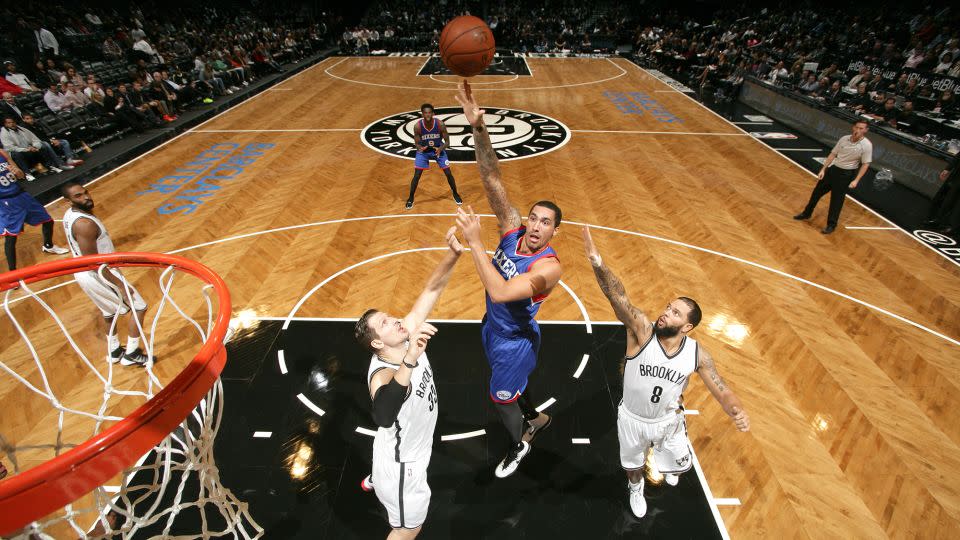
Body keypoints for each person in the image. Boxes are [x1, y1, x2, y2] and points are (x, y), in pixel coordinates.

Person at [581, 227, 750, 518]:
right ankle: (636, 488)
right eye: (668, 307)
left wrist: (736, 410)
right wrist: (598, 263)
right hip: (632, 419)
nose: (665, 313)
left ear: (687, 327)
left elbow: (720, 389)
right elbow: (617, 296)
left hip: (668, 420)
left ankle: (670, 465)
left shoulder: (698, 354)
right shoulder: (642, 331)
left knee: (677, 466)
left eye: (675, 313)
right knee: (632, 466)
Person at [452, 80, 560, 478]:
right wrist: (478, 128)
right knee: (511, 388)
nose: (535, 225)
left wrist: (475, 241)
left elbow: (499, 293)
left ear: (553, 233)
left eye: (545, 223)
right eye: (533, 217)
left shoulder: (548, 269)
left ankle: (520, 443)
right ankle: (532, 414)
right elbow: (492, 179)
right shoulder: (513, 230)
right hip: (492, 330)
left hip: (514, 342)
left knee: (500, 400)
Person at [354, 226, 462, 539]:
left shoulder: (405, 333)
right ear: (377, 343)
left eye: (390, 316)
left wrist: (453, 255)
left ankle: (374, 478)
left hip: (397, 446)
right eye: (385, 324)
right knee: (407, 530)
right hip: (404, 466)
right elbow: (384, 414)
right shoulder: (382, 373)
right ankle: (380, 481)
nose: (396, 321)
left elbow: (431, 290)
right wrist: (411, 357)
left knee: (388, 444)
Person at [60, 182, 149, 366]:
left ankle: (114, 350)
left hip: (84, 273)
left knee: (109, 312)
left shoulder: (70, 215)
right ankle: (132, 353)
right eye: (78, 196)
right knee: (139, 306)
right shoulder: (84, 224)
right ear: (67, 200)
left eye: (85, 192)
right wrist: (119, 283)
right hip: (98, 273)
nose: (85, 197)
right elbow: (93, 262)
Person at [794, 120, 873, 234]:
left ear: (866, 130)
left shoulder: (867, 145)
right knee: (816, 193)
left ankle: (831, 225)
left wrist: (856, 180)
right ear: (853, 127)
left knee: (837, 201)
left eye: (861, 128)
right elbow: (833, 154)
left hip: (846, 174)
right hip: (833, 170)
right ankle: (806, 213)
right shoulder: (844, 138)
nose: (858, 130)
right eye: (856, 127)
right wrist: (823, 169)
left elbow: (866, 164)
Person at [1, 149, 69, 271]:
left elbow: (21, 176)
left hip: (22, 195)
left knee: (48, 220)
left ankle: (48, 246)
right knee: (11, 236)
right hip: (6, 202)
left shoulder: (2, 153)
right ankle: (13, 273)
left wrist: (16, 171)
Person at [405, 103, 462, 209]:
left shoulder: (440, 124)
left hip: (438, 149)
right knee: (417, 175)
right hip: (424, 151)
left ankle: (455, 193)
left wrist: (440, 149)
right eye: (425, 113)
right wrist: (420, 148)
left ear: (433, 113)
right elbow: (417, 144)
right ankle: (411, 198)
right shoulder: (418, 126)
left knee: (448, 173)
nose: (428, 115)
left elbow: (447, 142)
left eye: (429, 113)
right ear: (422, 114)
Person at [1, 116, 72, 175]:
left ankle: (55, 165)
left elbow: (35, 139)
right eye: (9, 123)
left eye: (13, 122)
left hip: (30, 148)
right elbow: (11, 148)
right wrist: (27, 149)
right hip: (18, 151)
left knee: (44, 144)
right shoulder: (4, 133)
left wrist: (35, 146)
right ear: (5, 124)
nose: (12, 124)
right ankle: (27, 173)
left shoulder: (22, 129)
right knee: (16, 154)